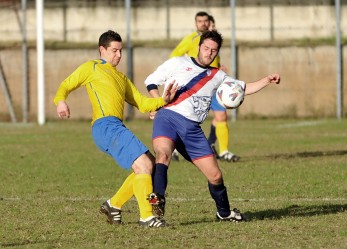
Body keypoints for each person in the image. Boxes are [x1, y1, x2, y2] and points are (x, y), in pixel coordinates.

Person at [145, 30, 280, 222]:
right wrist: (158, 102)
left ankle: (224, 213)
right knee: (163, 154)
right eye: (206, 48)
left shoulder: (217, 75)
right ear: (199, 46)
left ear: (217, 53)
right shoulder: (178, 62)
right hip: (168, 117)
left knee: (215, 175)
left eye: (213, 50)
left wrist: (267, 80)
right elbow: (151, 80)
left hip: (192, 129)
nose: (209, 53)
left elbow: (243, 88)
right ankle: (157, 199)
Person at [53, 30, 178, 228]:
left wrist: (163, 100)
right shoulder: (91, 67)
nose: (118, 55)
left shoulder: (121, 78)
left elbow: (141, 103)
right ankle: (147, 217)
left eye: (121, 51)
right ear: (101, 50)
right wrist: (60, 101)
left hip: (116, 126)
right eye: (114, 51)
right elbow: (66, 85)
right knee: (144, 165)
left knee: (149, 165)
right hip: (105, 126)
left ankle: (113, 205)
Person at [170, 11, 239, 162]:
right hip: (196, 84)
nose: (202, 23)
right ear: (196, 23)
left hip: (214, 83)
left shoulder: (214, 40)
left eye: (205, 21)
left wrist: (219, 67)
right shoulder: (191, 39)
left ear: (209, 22)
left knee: (221, 115)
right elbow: (174, 56)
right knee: (185, 118)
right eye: (199, 21)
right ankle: (174, 148)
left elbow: (213, 61)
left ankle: (224, 151)